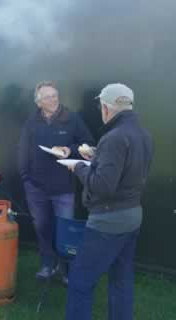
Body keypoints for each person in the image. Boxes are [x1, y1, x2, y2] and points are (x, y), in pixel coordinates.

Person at [65, 83, 154, 320]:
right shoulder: (142, 133)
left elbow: (103, 187)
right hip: (133, 216)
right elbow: (127, 168)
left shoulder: (114, 137)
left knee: (80, 282)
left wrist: (79, 167)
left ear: (106, 107)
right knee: (121, 280)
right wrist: (97, 157)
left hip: (108, 220)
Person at [18, 81, 94, 282]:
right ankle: (47, 265)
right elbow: (22, 150)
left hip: (63, 187)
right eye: (48, 96)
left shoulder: (71, 118)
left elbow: (88, 143)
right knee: (42, 227)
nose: (53, 99)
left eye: (55, 95)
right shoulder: (31, 121)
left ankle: (66, 270)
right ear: (38, 102)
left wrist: (72, 150)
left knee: (64, 229)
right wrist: (25, 177)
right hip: (35, 186)